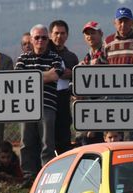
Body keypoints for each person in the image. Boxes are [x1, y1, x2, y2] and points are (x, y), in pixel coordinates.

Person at [15, 24, 64, 183]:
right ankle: (28, 176)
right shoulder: (23, 58)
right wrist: (44, 75)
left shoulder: (55, 57)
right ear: (31, 39)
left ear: (47, 39)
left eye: (44, 37)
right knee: (26, 142)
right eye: (37, 37)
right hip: (26, 107)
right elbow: (19, 81)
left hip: (47, 105)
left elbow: (55, 76)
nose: (40, 40)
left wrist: (31, 77)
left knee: (46, 143)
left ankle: (46, 175)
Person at [49, 20, 79, 155]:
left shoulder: (71, 57)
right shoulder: (43, 53)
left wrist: (71, 74)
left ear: (67, 35)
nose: (59, 36)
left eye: (62, 33)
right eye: (56, 33)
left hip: (63, 101)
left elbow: (77, 79)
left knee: (63, 139)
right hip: (46, 100)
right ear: (50, 34)